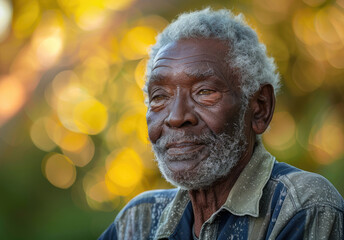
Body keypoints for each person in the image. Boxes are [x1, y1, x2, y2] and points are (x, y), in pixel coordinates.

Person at [99, 8, 344, 240]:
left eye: (204, 91)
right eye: (160, 96)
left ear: (259, 108)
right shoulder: (140, 220)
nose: (175, 117)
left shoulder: (301, 206)